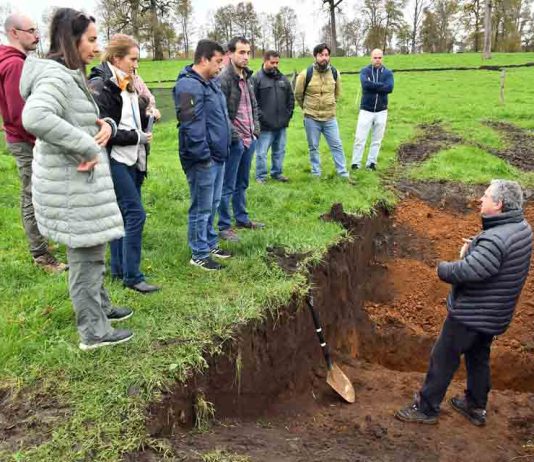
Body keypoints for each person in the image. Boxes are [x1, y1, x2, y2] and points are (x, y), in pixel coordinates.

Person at [21, 8, 133, 350]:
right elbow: (36, 116)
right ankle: (93, 332)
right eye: (92, 39)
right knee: (85, 259)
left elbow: (81, 118)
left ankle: (100, 308)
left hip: (77, 185)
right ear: (72, 40)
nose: (97, 47)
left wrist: (105, 126)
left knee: (92, 252)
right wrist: (86, 148)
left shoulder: (68, 74)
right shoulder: (55, 76)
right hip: (72, 186)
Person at [395, 180, 532, 426]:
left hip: (472, 313)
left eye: (486, 195)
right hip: (495, 313)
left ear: (499, 204)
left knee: (443, 357)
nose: (481, 198)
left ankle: (426, 408)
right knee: (478, 356)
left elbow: (468, 271)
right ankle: (475, 406)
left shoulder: (495, 241)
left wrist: (444, 267)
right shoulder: (521, 227)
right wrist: (477, 247)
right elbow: (494, 262)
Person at [88, 34, 160, 293]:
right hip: (115, 159)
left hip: (133, 159)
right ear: (117, 58)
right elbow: (104, 129)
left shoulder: (126, 82)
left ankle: (119, 269)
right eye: (133, 59)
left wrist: (147, 113)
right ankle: (133, 276)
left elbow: (130, 115)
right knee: (135, 215)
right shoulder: (101, 84)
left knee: (122, 216)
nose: (136, 64)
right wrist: (138, 136)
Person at [0, 14, 66, 272]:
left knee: (38, 192)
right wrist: (41, 137)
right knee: (32, 194)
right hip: (25, 139)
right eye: (30, 31)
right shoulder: (15, 65)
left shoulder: (17, 61)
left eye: (36, 30)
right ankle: (41, 256)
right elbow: (20, 114)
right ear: (14, 33)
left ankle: (42, 243)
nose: (36, 36)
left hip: (24, 137)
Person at [173, 39, 232, 271]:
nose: (220, 67)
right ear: (204, 59)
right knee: (201, 207)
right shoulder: (188, 86)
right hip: (202, 159)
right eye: (218, 62)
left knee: (213, 203)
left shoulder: (211, 83)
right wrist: (203, 156)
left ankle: (208, 243)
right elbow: (190, 125)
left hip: (218, 155)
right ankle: (198, 253)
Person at [217, 36, 264, 243]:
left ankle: (242, 218)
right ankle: (224, 226)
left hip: (249, 139)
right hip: (234, 142)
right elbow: (222, 114)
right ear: (230, 54)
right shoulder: (224, 79)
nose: (246, 56)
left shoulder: (248, 76)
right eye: (241, 52)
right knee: (227, 185)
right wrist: (235, 138)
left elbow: (253, 105)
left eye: (248, 52)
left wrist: (256, 131)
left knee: (242, 182)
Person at [294, 43, 350, 180]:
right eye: (321, 55)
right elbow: (298, 94)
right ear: (315, 56)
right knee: (313, 147)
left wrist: (330, 105)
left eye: (326, 55)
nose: (324, 58)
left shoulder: (335, 73)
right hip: (311, 118)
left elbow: (337, 94)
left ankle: (342, 173)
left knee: (336, 145)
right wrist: (307, 108)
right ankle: (316, 173)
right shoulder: (305, 74)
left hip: (330, 118)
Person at [251, 50, 295, 184]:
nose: (275, 65)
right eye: (272, 62)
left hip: (281, 125)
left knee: (279, 151)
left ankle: (277, 173)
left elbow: (291, 99)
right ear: (265, 61)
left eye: (277, 62)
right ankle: (261, 176)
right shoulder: (256, 79)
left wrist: (287, 116)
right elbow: (253, 102)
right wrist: (261, 118)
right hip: (265, 127)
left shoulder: (283, 79)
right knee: (261, 153)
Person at [351, 49, 394, 171]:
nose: (377, 60)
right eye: (375, 58)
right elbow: (365, 85)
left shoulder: (388, 73)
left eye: (379, 58)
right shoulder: (365, 71)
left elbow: (390, 88)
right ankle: (356, 163)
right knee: (360, 138)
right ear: (371, 58)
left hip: (381, 111)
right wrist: (381, 86)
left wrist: (373, 86)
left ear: (382, 58)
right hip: (366, 110)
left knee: (377, 139)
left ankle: (371, 163)